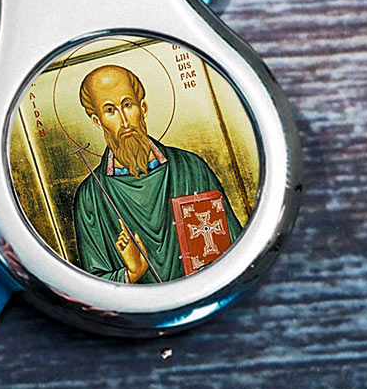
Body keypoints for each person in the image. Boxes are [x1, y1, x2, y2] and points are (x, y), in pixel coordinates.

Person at [72, 64, 241, 283]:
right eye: (110, 111)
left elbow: (234, 250)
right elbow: (95, 282)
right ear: (98, 121)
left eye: (127, 105)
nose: (124, 121)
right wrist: (131, 273)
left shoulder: (190, 168)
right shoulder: (91, 197)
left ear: (143, 107)